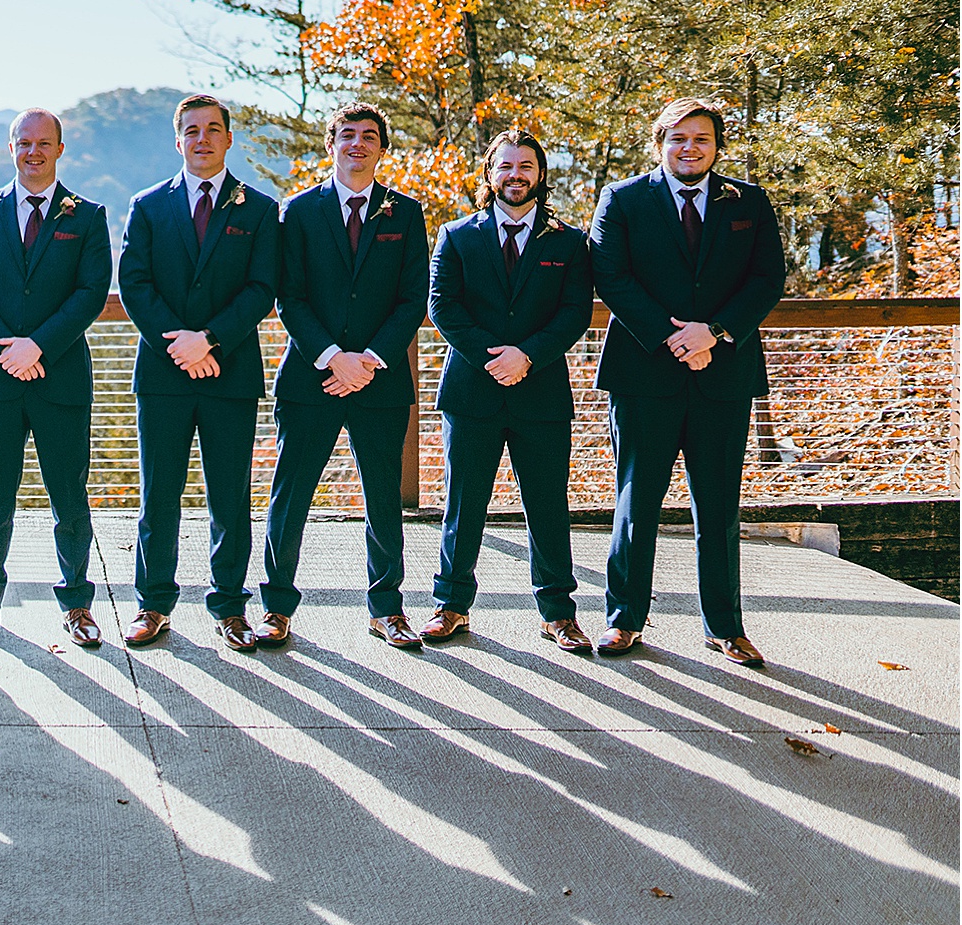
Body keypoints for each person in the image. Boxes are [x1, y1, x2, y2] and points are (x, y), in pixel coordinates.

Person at [589, 98, 786, 664]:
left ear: (717, 146)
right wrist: (674, 337)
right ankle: (624, 618)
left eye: (701, 139)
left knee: (719, 506)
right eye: (678, 138)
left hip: (724, 374)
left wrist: (715, 332)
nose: (689, 148)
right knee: (636, 501)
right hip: (644, 373)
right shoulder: (622, 200)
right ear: (659, 144)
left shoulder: (749, 202)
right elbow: (611, 275)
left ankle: (724, 625)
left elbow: (766, 277)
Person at [117, 94, 280, 652]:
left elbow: (262, 288)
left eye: (213, 129)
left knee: (229, 495)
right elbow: (135, 283)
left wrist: (208, 339)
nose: (202, 139)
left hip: (228, 370)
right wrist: (180, 346)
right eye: (191, 130)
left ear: (229, 139)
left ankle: (229, 607)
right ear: (178, 139)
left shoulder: (257, 209)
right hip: (163, 374)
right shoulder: (147, 205)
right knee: (158, 492)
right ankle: (152, 604)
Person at [265, 102, 430, 649]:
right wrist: (334, 355)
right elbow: (290, 296)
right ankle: (276, 607)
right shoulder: (299, 211)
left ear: (382, 147)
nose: (357, 144)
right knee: (291, 494)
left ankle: (386, 608)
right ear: (331, 143)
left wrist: (369, 360)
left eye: (369, 136)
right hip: (312, 375)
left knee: (383, 496)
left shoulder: (404, 214)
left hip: (379, 379)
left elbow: (412, 299)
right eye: (347, 135)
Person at [421, 130, 594, 651]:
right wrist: (494, 357)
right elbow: (442, 306)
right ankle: (451, 606)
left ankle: (558, 612)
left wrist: (528, 356)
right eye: (505, 167)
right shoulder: (457, 235)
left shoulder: (568, 241)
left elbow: (574, 313)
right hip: (472, 390)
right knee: (463, 502)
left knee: (547, 504)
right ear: (489, 173)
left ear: (540, 174)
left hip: (539, 390)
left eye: (526, 167)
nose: (515, 176)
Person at [0, 109, 111, 646]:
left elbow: (90, 293)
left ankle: (78, 603)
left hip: (59, 374)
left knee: (69, 494)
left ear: (60, 149)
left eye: (44, 143)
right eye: (24, 142)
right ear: (10, 147)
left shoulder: (87, 216)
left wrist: (38, 346)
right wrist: (5, 352)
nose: (33, 152)